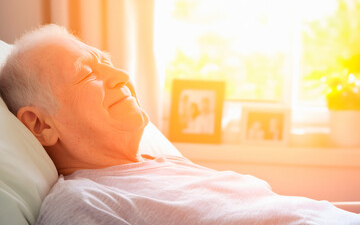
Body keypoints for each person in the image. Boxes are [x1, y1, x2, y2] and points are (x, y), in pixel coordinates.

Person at [0, 25, 359, 225]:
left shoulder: (165, 166)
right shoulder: (84, 205)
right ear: (40, 125)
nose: (122, 76)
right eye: (87, 74)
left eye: (107, 62)